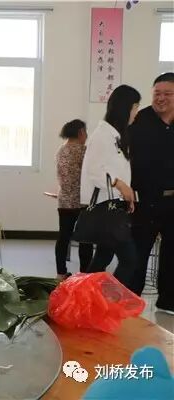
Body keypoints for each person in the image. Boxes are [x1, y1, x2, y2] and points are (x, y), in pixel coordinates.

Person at [80, 84, 141, 292]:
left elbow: (114, 170)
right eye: (135, 107)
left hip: (113, 207)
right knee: (129, 260)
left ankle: (84, 297)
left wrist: (127, 196)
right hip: (106, 208)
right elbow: (95, 172)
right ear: (126, 108)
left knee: (101, 259)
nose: (136, 112)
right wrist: (120, 185)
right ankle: (108, 299)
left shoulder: (115, 136)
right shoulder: (102, 135)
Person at [129, 72, 174, 312]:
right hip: (144, 200)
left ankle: (168, 302)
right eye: (157, 93)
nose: (161, 98)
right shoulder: (140, 120)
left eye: (168, 93)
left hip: (172, 199)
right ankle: (130, 302)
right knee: (137, 253)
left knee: (172, 254)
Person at [54, 119, 94, 279]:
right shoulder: (83, 151)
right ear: (81, 132)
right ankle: (84, 274)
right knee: (86, 239)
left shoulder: (61, 150)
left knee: (63, 237)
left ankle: (61, 273)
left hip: (64, 201)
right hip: (82, 202)